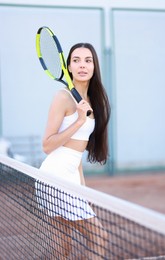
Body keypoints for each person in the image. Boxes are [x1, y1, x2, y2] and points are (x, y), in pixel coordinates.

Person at [37, 43, 111, 259]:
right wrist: (79, 121)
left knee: (64, 246)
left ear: (94, 66)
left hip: (70, 177)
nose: (82, 65)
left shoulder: (92, 101)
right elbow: (47, 145)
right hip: (54, 177)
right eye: (76, 60)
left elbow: (76, 155)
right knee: (98, 236)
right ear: (68, 66)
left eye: (88, 60)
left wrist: (83, 190)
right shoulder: (63, 97)